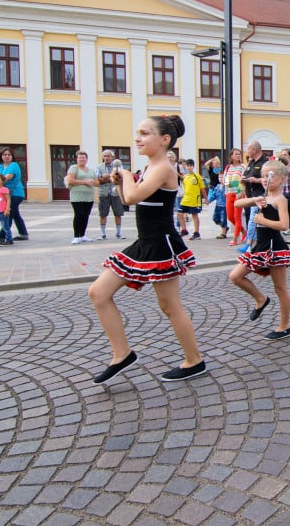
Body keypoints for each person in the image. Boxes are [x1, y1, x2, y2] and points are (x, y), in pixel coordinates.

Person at [88, 115, 204, 383]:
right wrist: (122, 180)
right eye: (137, 132)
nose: (137, 138)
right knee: (98, 293)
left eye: (144, 133)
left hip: (161, 243)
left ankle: (194, 360)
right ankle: (122, 354)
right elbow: (128, 196)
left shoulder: (163, 167)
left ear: (164, 140)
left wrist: (126, 176)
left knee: (170, 306)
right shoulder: (151, 167)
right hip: (144, 242)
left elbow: (132, 197)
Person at [229, 159, 290, 339]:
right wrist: (254, 199)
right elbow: (236, 204)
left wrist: (263, 220)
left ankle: (284, 325)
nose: (265, 179)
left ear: (282, 179)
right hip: (259, 246)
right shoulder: (263, 197)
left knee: (280, 288)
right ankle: (261, 299)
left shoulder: (280, 199)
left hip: (274, 247)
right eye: (263, 176)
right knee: (235, 276)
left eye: (270, 176)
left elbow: (284, 225)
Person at [65, 150, 97, 244]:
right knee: (79, 214)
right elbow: (71, 180)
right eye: (80, 158)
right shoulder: (74, 168)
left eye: (83, 158)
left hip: (89, 196)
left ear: (86, 159)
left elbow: (97, 182)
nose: (81, 159)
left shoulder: (91, 170)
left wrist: (93, 182)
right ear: (77, 159)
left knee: (86, 215)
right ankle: (76, 236)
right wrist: (85, 182)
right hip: (77, 196)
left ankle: (83, 235)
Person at [240, 141, 266, 250]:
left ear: (255, 150)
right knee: (251, 220)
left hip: (260, 195)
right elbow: (246, 174)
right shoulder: (251, 162)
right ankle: (253, 244)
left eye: (249, 149)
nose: (248, 151)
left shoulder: (265, 162)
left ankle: (249, 244)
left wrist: (257, 180)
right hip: (250, 196)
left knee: (253, 220)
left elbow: (269, 180)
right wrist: (243, 178)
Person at [95, 149, 125, 240]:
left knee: (118, 213)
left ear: (112, 157)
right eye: (105, 156)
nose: (106, 158)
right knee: (103, 214)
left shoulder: (118, 166)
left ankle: (119, 233)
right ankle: (103, 233)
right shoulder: (99, 167)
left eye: (108, 156)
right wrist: (111, 177)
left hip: (116, 193)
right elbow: (98, 180)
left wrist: (106, 176)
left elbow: (120, 178)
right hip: (103, 193)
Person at [177, 159, 206, 240]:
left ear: (193, 166)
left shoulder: (197, 176)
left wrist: (206, 199)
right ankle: (184, 230)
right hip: (185, 199)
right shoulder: (185, 177)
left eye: (190, 166)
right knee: (179, 214)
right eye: (187, 166)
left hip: (194, 200)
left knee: (194, 215)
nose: (189, 167)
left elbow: (202, 188)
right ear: (185, 167)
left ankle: (197, 233)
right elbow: (181, 177)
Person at [223, 148, 247, 245]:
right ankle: (243, 231)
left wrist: (241, 192)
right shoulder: (228, 167)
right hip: (229, 193)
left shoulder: (242, 167)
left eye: (239, 154)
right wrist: (227, 186)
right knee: (230, 216)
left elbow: (244, 180)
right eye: (236, 154)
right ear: (231, 156)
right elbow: (225, 179)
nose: (238, 156)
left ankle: (235, 239)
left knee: (237, 216)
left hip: (238, 193)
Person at [204, 156, 228, 239]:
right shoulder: (211, 170)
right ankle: (224, 228)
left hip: (224, 204)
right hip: (215, 192)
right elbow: (214, 196)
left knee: (223, 218)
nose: (215, 164)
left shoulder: (221, 171)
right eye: (214, 163)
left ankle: (223, 232)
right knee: (215, 218)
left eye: (217, 163)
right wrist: (208, 200)